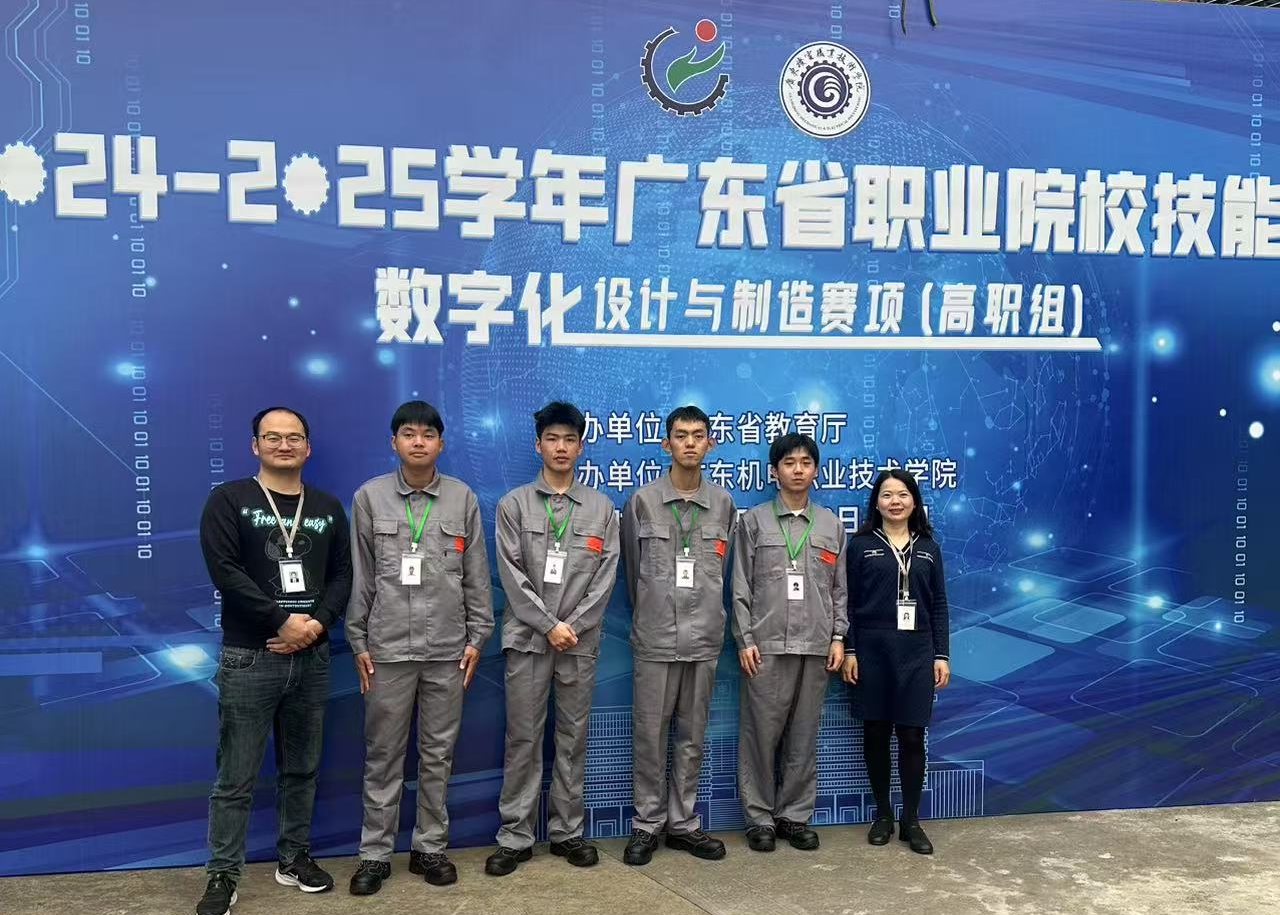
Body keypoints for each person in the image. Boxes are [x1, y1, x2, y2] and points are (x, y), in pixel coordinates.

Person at [195, 407, 352, 915]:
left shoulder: (326, 506)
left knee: (301, 769)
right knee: (235, 777)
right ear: (255, 445)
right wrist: (281, 622)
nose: (284, 445)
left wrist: (315, 625)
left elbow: (343, 575)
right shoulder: (229, 500)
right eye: (273, 437)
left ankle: (294, 858)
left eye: (294, 437)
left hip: (313, 656)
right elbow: (225, 571)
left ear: (308, 447)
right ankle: (223, 874)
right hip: (251, 655)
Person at [345, 401, 494, 895]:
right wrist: (357, 639)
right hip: (386, 650)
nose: (418, 442)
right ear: (394, 442)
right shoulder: (369, 497)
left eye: (428, 434)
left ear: (440, 444)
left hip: (448, 650)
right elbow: (362, 575)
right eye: (408, 433)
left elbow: (476, 574)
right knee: (383, 755)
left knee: (438, 754)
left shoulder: (461, 497)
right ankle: (375, 854)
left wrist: (478, 636)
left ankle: (429, 847)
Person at [485, 402, 620, 876]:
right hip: (528, 640)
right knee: (522, 738)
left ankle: (567, 832)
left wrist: (573, 626)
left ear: (581, 447)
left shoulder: (602, 509)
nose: (561, 448)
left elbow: (605, 578)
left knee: (572, 737)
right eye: (552, 439)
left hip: (579, 642)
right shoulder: (514, 505)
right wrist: (548, 624)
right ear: (537, 445)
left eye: (569, 440)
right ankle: (515, 836)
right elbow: (510, 573)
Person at [619, 406, 736, 866]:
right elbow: (633, 576)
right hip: (655, 639)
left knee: (692, 736)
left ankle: (683, 823)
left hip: (703, 638)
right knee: (650, 735)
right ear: (666, 443)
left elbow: (725, 572)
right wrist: (653, 614)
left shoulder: (723, 504)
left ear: (710, 443)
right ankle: (647, 824)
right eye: (681, 435)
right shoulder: (642, 502)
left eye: (698, 435)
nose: (690, 443)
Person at [731, 433, 848, 853]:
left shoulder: (832, 525)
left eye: (805, 463)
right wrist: (744, 638)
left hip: (815, 645)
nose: (798, 470)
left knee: (803, 735)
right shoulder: (754, 521)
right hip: (766, 646)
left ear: (816, 471)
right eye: (789, 462)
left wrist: (838, 636)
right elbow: (740, 586)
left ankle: (794, 817)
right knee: (760, 736)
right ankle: (759, 818)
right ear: (774, 471)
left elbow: (839, 589)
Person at [841, 468, 951, 855]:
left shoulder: (929, 547)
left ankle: (912, 821)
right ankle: (884, 815)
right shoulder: (861, 545)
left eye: (903, 494)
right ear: (876, 503)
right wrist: (850, 649)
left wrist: (941, 654)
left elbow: (939, 603)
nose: (895, 502)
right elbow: (848, 602)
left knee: (911, 736)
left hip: (917, 651)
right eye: (887, 495)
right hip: (871, 650)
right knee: (875, 733)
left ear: (914, 502)